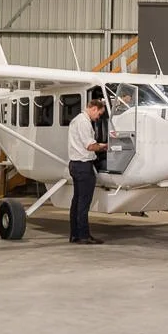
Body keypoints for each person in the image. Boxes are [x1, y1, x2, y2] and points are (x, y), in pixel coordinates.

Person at [68, 97, 108, 244]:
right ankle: (84, 236)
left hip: (75, 164)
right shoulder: (84, 122)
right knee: (84, 203)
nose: (98, 118)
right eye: (99, 114)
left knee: (77, 201)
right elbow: (90, 146)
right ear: (93, 109)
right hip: (83, 166)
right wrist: (104, 146)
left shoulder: (76, 120)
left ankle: (75, 234)